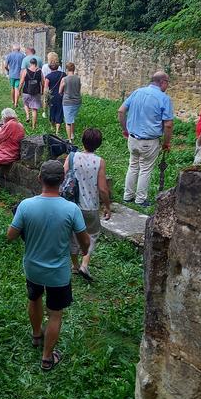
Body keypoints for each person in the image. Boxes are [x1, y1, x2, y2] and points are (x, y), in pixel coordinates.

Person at [7, 160, 90, 371]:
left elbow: (11, 235)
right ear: (62, 181)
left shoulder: (26, 205)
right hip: (58, 272)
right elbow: (85, 242)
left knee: (34, 299)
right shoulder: (71, 209)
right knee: (55, 313)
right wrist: (83, 251)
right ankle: (46, 357)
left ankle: (36, 335)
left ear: (39, 179)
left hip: (33, 268)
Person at [118, 71, 173, 207]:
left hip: (132, 138)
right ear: (162, 82)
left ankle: (127, 195)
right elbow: (168, 124)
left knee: (133, 166)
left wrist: (125, 129)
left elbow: (121, 111)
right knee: (145, 169)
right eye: (167, 83)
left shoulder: (137, 92)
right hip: (149, 141)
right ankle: (140, 199)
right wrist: (166, 143)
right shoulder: (163, 98)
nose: (167, 86)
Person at [64, 128, 111, 281]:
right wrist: (107, 206)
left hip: (71, 204)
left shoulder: (72, 157)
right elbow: (103, 189)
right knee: (91, 234)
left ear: (82, 141)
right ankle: (85, 264)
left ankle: (75, 265)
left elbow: (64, 177)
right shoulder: (99, 161)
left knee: (72, 234)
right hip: (90, 206)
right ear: (98, 144)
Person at [20, 57, 44, 130]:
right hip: (36, 92)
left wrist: (19, 90)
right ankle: (34, 126)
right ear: (36, 63)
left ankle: (27, 115)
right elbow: (43, 83)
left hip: (26, 91)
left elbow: (21, 82)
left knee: (26, 104)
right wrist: (42, 91)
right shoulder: (40, 71)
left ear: (30, 63)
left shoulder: (25, 71)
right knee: (34, 109)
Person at [60, 62, 82, 141]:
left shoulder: (64, 79)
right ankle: (72, 134)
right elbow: (78, 89)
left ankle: (69, 140)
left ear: (67, 69)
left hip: (68, 102)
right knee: (72, 118)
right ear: (74, 69)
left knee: (68, 122)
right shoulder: (78, 78)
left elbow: (60, 91)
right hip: (77, 101)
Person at [44, 62, 65, 136]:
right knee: (60, 111)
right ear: (58, 67)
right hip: (61, 95)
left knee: (52, 110)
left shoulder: (48, 77)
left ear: (50, 68)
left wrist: (45, 98)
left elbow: (46, 88)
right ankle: (57, 130)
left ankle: (52, 126)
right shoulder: (63, 74)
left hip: (52, 97)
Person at [3, 43, 26, 108]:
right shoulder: (23, 56)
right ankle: (16, 103)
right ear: (19, 49)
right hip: (19, 75)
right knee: (17, 89)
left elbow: (5, 66)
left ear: (13, 49)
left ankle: (13, 101)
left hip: (12, 74)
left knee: (12, 88)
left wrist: (8, 70)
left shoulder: (9, 55)